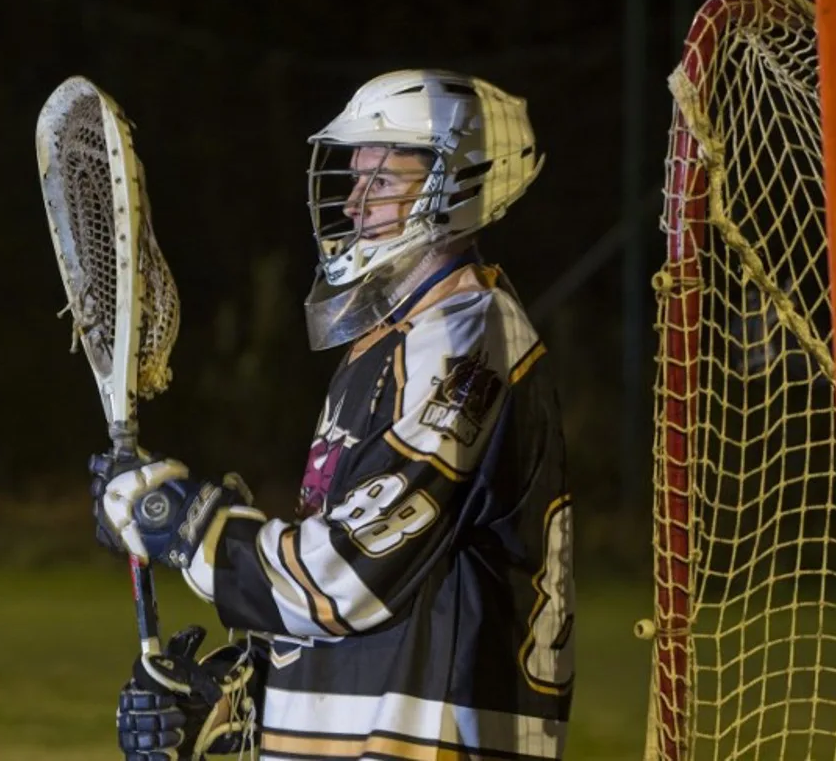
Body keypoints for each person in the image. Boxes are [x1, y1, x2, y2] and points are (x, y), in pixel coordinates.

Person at [91, 68, 576, 761]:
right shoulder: (390, 342)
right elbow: (373, 597)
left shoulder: (467, 337)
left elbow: (346, 577)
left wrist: (186, 527)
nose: (353, 204)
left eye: (381, 180)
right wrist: (240, 700)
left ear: (458, 185)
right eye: (354, 179)